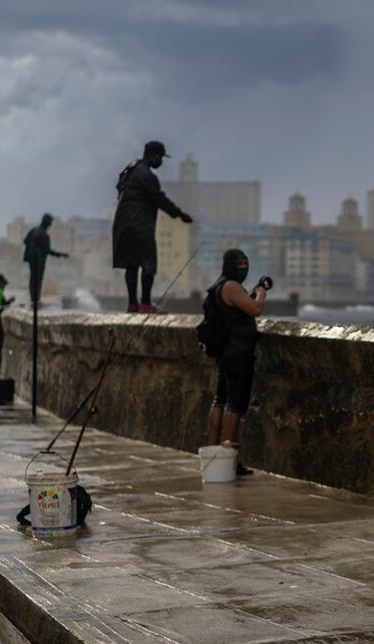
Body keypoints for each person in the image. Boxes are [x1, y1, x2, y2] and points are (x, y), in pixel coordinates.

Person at [204, 249, 268, 476]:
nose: (244, 267)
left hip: (226, 353)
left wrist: (250, 293)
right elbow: (255, 309)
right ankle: (228, 460)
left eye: (246, 263)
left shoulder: (221, 286)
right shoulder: (231, 286)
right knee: (234, 405)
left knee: (220, 400)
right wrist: (261, 293)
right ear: (231, 265)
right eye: (241, 264)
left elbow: (240, 307)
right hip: (237, 353)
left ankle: (214, 455)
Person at [112, 141, 193, 313]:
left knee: (131, 264)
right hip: (139, 224)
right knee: (148, 263)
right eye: (161, 157)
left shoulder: (132, 168)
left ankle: (132, 304)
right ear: (154, 155)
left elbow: (119, 186)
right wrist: (179, 214)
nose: (161, 162)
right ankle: (146, 304)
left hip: (122, 224)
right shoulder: (147, 175)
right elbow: (159, 199)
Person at [23, 213, 68, 304]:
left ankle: (34, 299)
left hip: (31, 259)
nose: (51, 224)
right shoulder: (44, 235)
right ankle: (36, 300)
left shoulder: (33, 230)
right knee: (38, 280)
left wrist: (31, 249)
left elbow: (25, 241)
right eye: (50, 222)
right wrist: (61, 254)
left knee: (33, 279)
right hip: (39, 261)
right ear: (47, 222)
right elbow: (47, 250)